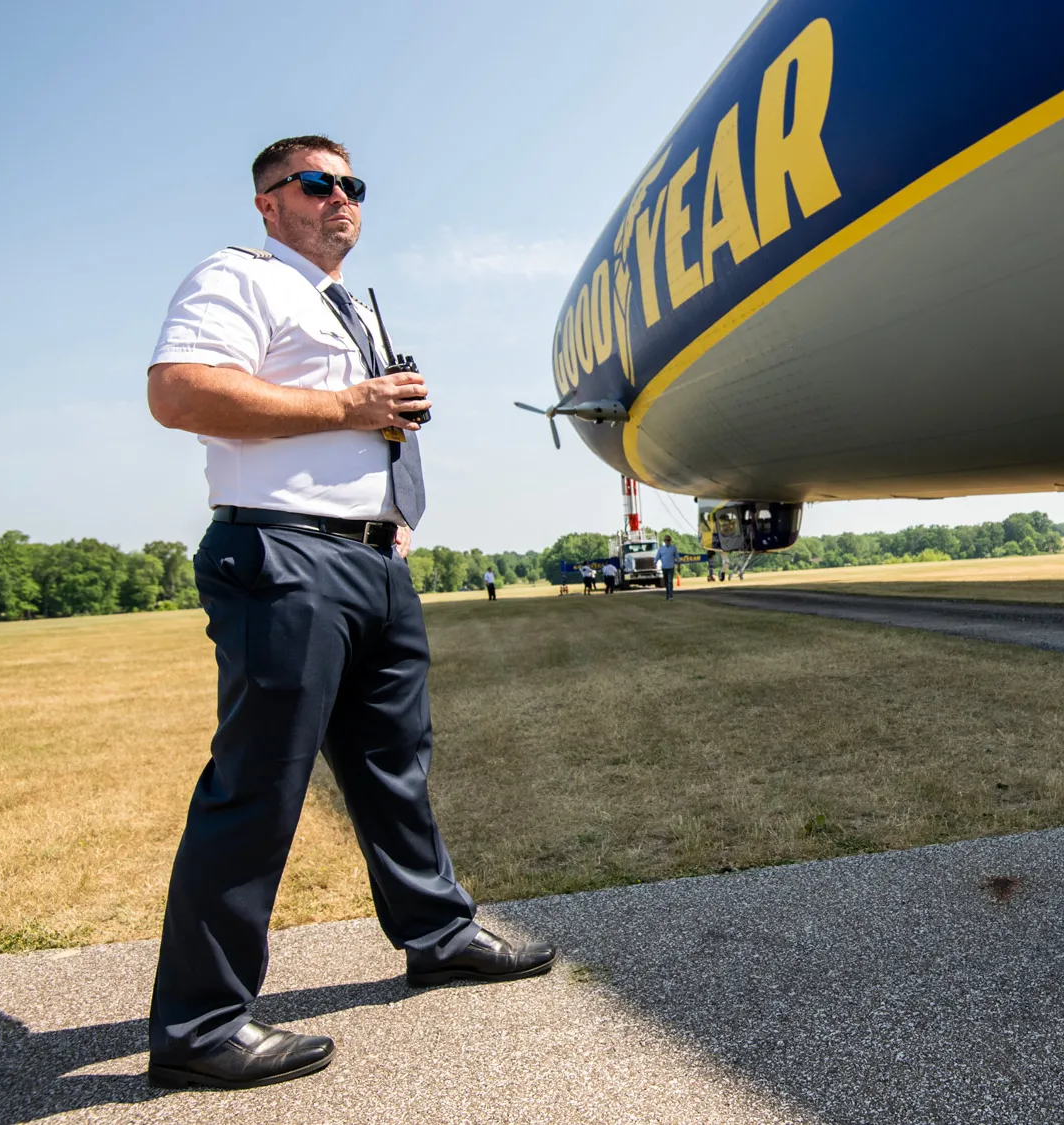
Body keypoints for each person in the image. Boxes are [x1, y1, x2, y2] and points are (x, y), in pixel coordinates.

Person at [143, 135, 554, 1091]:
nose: (341, 199)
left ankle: (438, 932)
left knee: (393, 765)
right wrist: (350, 404)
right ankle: (200, 1025)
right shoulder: (239, 276)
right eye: (318, 183)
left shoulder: (350, 302)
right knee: (261, 782)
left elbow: (365, 427)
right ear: (268, 203)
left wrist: (393, 520)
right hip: (282, 553)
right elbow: (178, 392)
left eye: (352, 185)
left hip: (370, 560)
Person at [655, 535, 680, 600]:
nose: (667, 541)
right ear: (664, 541)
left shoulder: (673, 548)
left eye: (668, 540)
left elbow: (677, 557)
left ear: (670, 541)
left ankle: (670, 595)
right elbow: (657, 556)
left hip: (671, 567)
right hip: (664, 567)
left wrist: (679, 565)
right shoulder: (661, 549)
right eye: (666, 540)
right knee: (666, 582)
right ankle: (667, 594)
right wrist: (654, 563)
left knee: (670, 581)